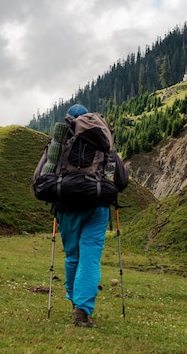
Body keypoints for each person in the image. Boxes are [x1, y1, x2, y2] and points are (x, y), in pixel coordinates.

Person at [44, 104, 128, 327]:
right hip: (98, 206)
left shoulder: (58, 144)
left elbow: (43, 177)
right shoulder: (103, 143)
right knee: (90, 257)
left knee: (73, 257)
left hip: (66, 206)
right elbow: (122, 179)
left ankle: (75, 302)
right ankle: (82, 310)